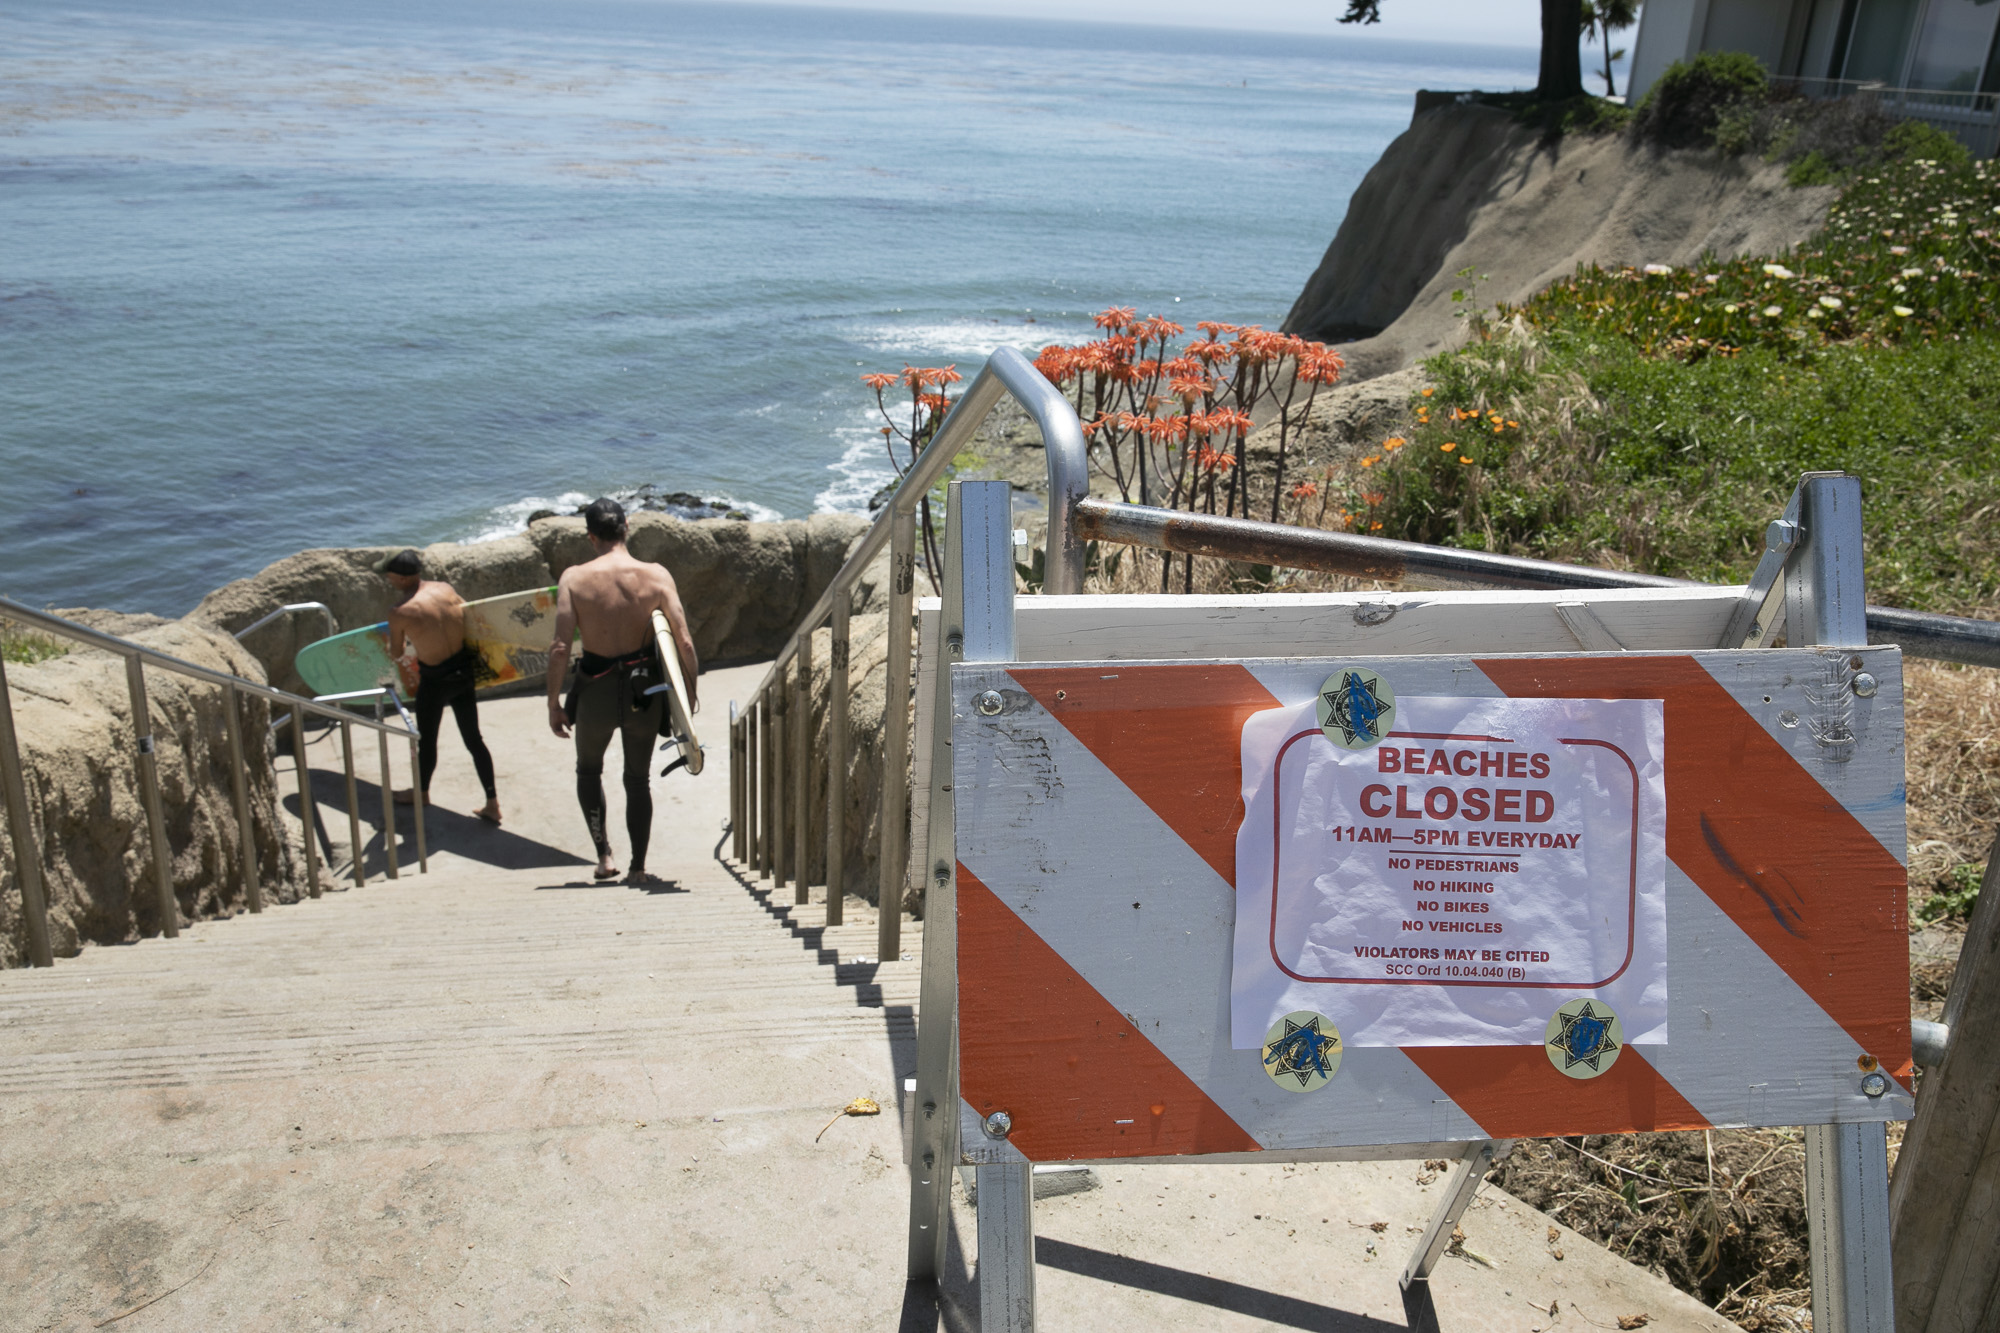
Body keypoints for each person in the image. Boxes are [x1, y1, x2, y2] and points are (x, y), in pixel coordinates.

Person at [546, 498, 699, 884]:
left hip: (594, 691)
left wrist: (553, 704)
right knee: (637, 779)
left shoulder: (574, 579)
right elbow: (683, 642)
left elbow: (561, 647)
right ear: (627, 527)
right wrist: (688, 694)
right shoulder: (657, 575)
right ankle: (638, 868)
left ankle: (603, 858)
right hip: (643, 689)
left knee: (588, 770)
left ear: (591, 537)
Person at [378, 548, 502, 825]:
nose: (387, 578)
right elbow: (471, 617)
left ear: (399, 578)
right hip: (463, 673)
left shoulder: (399, 611)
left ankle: (421, 793)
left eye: (388, 575)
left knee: (427, 741)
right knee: (474, 740)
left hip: (435, 681)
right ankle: (492, 803)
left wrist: (397, 644)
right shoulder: (445, 589)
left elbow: (397, 653)